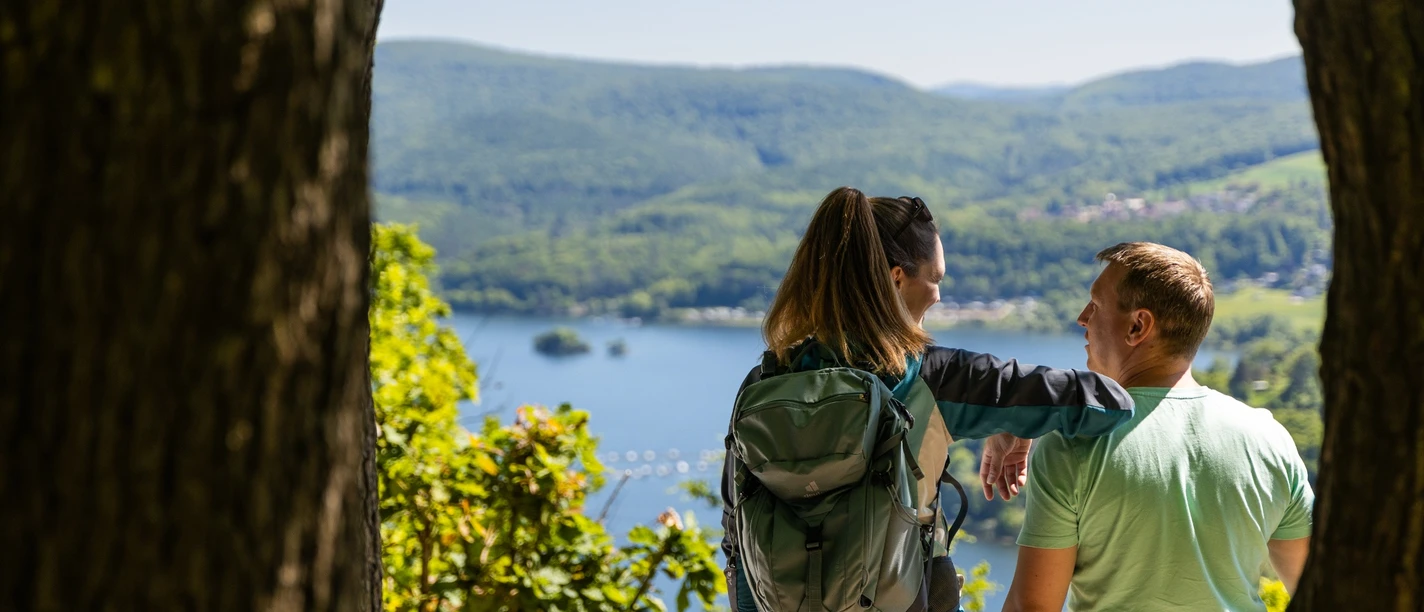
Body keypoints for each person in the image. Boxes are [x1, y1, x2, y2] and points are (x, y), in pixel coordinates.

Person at [719, 187, 1136, 612]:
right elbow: (1108, 403)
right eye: (935, 279)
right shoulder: (934, 378)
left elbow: (737, 528)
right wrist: (1020, 421)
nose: (938, 295)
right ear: (897, 278)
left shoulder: (764, 382)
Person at [1002, 242, 1314, 612]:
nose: (1082, 318)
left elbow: (1032, 607)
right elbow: (1323, 587)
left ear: (1138, 326)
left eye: (1096, 305)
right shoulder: (1269, 439)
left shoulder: (1075, 443)